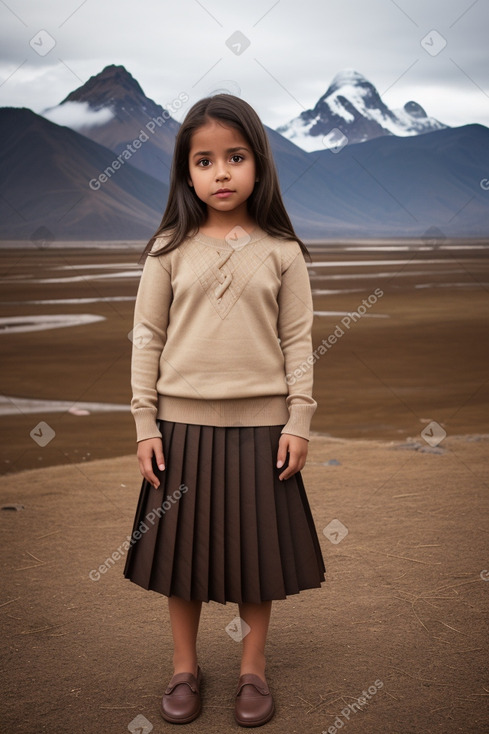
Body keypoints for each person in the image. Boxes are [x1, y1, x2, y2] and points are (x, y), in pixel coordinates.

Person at [123, 93, 326, 728]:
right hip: (180, 429)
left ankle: (253, 670)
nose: (221, 173)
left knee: (255, 558)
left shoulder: (283, 252)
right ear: (187, 172)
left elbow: (298, 343)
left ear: (258, 166)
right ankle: (185, 668)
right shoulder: (166, 250)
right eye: (204, 160)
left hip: (262, 431)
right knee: (181, 559)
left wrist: (298, 421)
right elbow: (146, 340)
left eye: (235, 158)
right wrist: (144, 425)